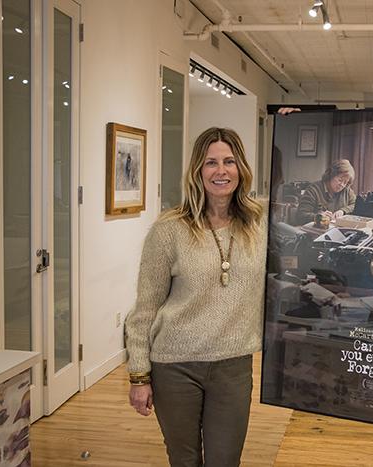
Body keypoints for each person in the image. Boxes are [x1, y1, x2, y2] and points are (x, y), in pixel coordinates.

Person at [125, 127, 266, 467]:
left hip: (233, 365)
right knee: (184, 460)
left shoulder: (260, 222)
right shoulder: (169, 230)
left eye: (230, 161)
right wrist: (139, 376)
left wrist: (296, 120)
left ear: (242, 168)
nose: (221, 171)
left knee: (225, 460)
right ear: (197, 171)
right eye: (211, 162)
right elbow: (145, 309)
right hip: (174, 366)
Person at [296, 158, 357, 225]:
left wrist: (343, 211)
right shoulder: (313, 190)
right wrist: (319, 217)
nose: (342, 185)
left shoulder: (346, 190)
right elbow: (301, 216)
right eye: (340, 180)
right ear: (331, 175)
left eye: (345, 182)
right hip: (316, 231)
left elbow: (355, 204)